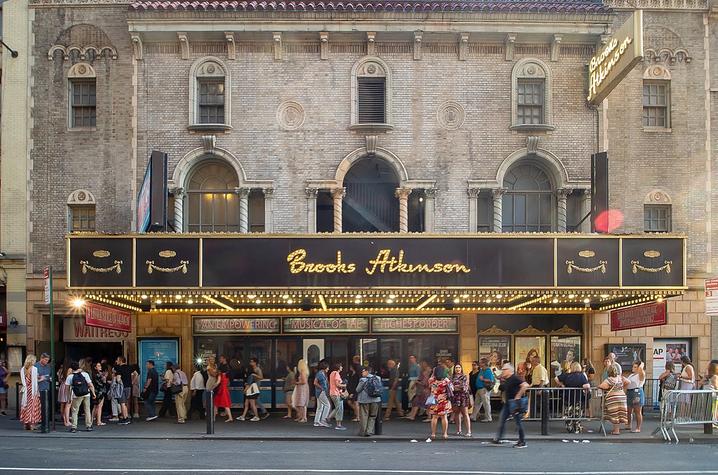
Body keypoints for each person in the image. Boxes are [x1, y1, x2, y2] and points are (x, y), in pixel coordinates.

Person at [491, 363, 529, 448]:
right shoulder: (507, 379)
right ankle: (498, 438)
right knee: (502, 420)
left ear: (509, 371)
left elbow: (525, 385)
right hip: (508, 403)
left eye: (504, 370)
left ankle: (522, 441)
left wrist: (518, 396)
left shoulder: (515, 378)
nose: (503, 371)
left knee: (518, 422)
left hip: (515, 404)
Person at [555, 361, 590, 433]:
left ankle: (569, 427)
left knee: (568, 413)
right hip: (578, 398)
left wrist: (561, 385)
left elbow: (556, 378)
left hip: (568, 398)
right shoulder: (581, 376)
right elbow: (586, 385)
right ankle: (577, 428)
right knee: (577, 414)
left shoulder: (567, 375)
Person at [66, 360, 96, 433]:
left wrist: (68, 398)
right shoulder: (85, 374)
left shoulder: (70, 376)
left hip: (76, 395)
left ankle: (74, 427)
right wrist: (94, 393)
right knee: (87, 410)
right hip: (86, 394)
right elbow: (90, 385)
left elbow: (67, 389)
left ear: (72, 368)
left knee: (75, 411)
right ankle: (89, 426)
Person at [598, 365, 629, 435]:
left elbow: (602, 386)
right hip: (622, 397)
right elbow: (628, 382)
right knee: (619, 413)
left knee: (615, 414)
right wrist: (623, 389)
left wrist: (599, 386)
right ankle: (618, 429)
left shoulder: (609, 379)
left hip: (613, 398)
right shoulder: (620, 378)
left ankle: (616, 431)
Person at [426, 366, 452, 442]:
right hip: (443, 400)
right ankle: (445, 434)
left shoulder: (431, 380)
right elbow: (451, 389)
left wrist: (433, 373)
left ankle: (433, 433)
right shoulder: (446, 380)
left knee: (434, 417)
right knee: (444, 417)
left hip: (434, 400)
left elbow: (429, 386)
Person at [356, 366, 382, 437]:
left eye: (363, 371)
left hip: (365, 400)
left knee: (364, 416)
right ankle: (369, 431)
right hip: (376, 400)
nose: (362, 373)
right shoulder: (378, 378)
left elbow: (358, 390)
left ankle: (363, 432)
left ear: (367, 371)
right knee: (373, 416)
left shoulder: (363, 380)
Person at [20, 355, 41, 431]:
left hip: (26, 390)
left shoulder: (23, 369)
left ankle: (26, 425)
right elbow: (34, 382)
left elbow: (24, 381)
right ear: (32, 360)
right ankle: (32, 425)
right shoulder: (34, 369)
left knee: (25, 407)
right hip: (32, 390)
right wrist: (36, 391)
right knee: (33, 407)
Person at [450, 363, 471, 437]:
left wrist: (456, 387)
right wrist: (457, 387)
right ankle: (459, 430)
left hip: (463, 396)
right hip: (455, 397)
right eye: (456, 368)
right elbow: (451, 388)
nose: (457, 369)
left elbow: (465, 387)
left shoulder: (465, 376)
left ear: (461, 368)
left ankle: (468, 431)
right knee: (456, 413)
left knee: (465, 413)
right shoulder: (451, 377)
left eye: (459, 367)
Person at [471, 358, 494, 422]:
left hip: (484, 389)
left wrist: (483, 379)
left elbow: (491, 380)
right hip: (479, 388)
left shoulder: (488, 371)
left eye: (481, 362)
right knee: (477, 403)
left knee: (486, 403)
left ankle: (488, 417)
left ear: (484, 363)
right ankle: (473, 416)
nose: (479, 364)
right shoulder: (481, 370)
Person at [625, 360, 645, 433]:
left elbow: (641, 369)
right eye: (633, 366)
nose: (633, 368)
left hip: (637, 392)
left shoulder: (641, 374)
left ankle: (638, 428)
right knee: (629, 410)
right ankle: (629, 425)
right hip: (630, 392)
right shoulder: (631, 375)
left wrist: (641, 364)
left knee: (637, 411)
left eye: (635, 367)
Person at [34, 353, 52, 432]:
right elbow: (35, 377)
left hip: (46, 387)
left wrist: (44, 377)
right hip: (38, 388)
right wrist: (42, 377)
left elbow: (50, 377)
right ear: (41, 358)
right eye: (46, 360)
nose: (47, 362)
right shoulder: (35, 366)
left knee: (46, 405)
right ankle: (39, 420)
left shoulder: (48, 367)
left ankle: (45, 420)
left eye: (48, 360)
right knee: (38, 405)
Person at [327, 362, 347, 430]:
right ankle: (338, 424)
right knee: (339, 408)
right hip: (336, 393)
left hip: (332, 393)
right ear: (338, 367)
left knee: (338, 407)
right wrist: (345, 385)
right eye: (341, 366)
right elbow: (337, 384)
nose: (342, 367)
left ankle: (330, 417)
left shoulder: (332, 373)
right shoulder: (336, 374)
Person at [114, 356, 133, 425]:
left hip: (122, 387)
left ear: (121, 360)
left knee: (122, 403)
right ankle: (125, 417)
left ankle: (125, 418)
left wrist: (117, 381)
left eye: (117, 360)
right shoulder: (129, 367)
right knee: (125, 402)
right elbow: (134, 374)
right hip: (129, 386)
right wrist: (132, 382)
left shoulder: (119, 368)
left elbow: (118, 379)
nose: (116, 361)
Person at [313, 360, 331, 427]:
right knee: (327, 405)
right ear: (325, 367)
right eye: (327, 368)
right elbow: (315, 382)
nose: (328, 369)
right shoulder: (320, 374)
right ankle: (323, 420)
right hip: (321, 392)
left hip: (319, 392)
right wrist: (322, 388)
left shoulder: (321, 373)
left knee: (320, 407)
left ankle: (317, 421)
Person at [92, 362, 108, 426]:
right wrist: (105, 377)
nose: (100, 366)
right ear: (95, 368)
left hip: (96, 391)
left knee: (95, 406)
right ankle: (98, 421)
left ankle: (91, 419)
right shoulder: (98, 375)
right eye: (98, 366)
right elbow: (103, 382)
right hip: (100, 391)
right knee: (99, 406)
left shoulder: (95, 374)